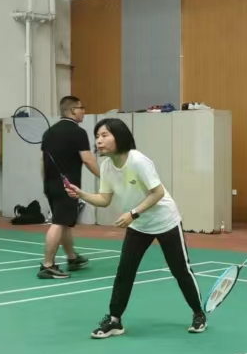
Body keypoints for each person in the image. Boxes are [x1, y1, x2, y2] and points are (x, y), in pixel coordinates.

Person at [63, 117, 205, 339]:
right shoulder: (106, 166)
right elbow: (104, 199)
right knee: (124, 272)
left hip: (165, 220)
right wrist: (81, 194)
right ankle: (114, 320)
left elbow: (157, 193)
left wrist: (133, 213)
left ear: (119, 137)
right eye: (97, 136)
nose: (99, 141)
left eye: (104, 135)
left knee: (180, 270)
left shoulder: (138, 161)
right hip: (139, 225)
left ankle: (198, 313)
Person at [37, 95, 100, 281]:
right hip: (69, 186)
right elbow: (88, 160)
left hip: (51, 185)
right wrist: (104, 178)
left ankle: (72, 258)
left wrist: (46, 183)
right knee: (58, 223)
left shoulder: (49, 133)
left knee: (63, 222)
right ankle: (47, 266)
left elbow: (42, 161)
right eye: (81, 108)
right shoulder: (78, 132)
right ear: (72, 110)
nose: (84, 111)